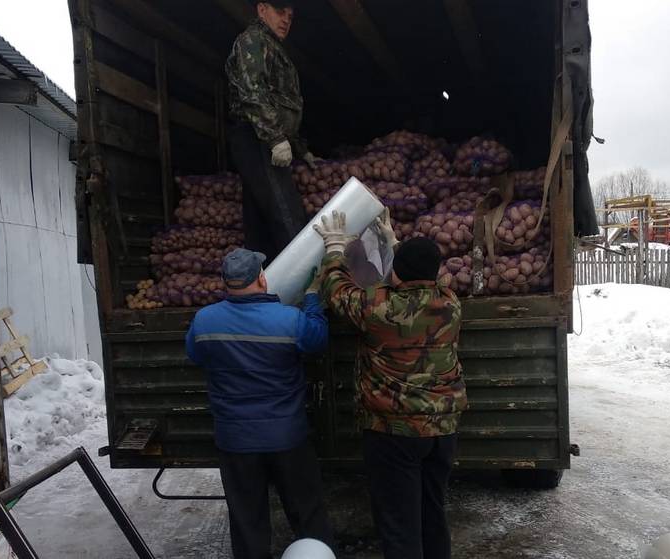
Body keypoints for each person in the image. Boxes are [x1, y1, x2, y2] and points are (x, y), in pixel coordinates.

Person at [313, 210, 468, 559]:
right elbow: (420, 277)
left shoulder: (377, 308)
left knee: (399, 524)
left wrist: (334, 247)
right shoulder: (450, 304)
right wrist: (397, 244)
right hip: (441, 431)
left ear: (396, 272)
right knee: (432, 512)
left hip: (394, 433)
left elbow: (338, 290)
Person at [185, 248, 333, 559]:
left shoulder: (204, 321)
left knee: (247, 521)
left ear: (226, 283)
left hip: (236, 441)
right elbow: (317, 340)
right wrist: (312, 298)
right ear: (262, 279)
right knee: (307, 514)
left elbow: (196, 355)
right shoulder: (290, 320)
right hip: (287, 437)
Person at [225, 0, 317, 261]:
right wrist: (276, 138)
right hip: (257, 138)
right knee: (285, 213)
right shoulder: (253, 41)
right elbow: (252, 91)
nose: (286, 19)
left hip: (262, 137)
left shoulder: (272, 46)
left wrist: (300, 148)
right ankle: (305, 289)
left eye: (290, 15)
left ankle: (265, 290)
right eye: (280, 12)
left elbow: (283, 105)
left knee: (260, 223)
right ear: (262, 9)